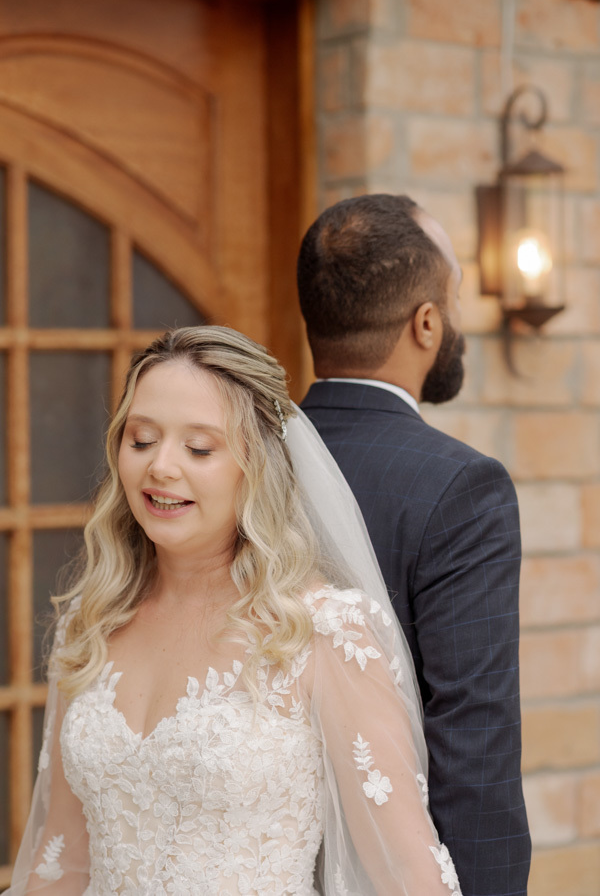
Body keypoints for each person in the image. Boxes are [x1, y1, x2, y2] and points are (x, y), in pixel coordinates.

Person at [9, 325, 462, 896]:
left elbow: (405, 873)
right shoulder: (90, 619)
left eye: (199, 448)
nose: (161, 468)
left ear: (257, 465)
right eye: (141, 438)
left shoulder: (320, 630)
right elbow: (61, 861)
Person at [298, 195, 531, 896]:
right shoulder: (463, 488)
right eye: (453, 299)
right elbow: (474, 743)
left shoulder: (234, 464)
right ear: (426, 323)